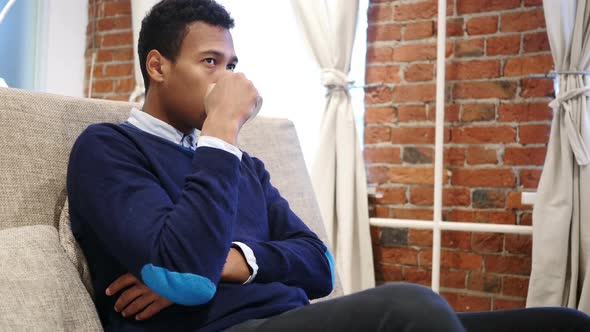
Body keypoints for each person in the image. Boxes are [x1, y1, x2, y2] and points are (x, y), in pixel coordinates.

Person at [67, 0, 590, 331]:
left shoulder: (240, 166)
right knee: (413, 309)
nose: (227, 79)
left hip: (300, 318)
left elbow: (320, 266)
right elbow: (187, 276)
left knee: (564, 322)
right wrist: (222, 126)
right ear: (157, 66)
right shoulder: (109, 149)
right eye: (210, 63)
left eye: (232, 65)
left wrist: (236, 259)